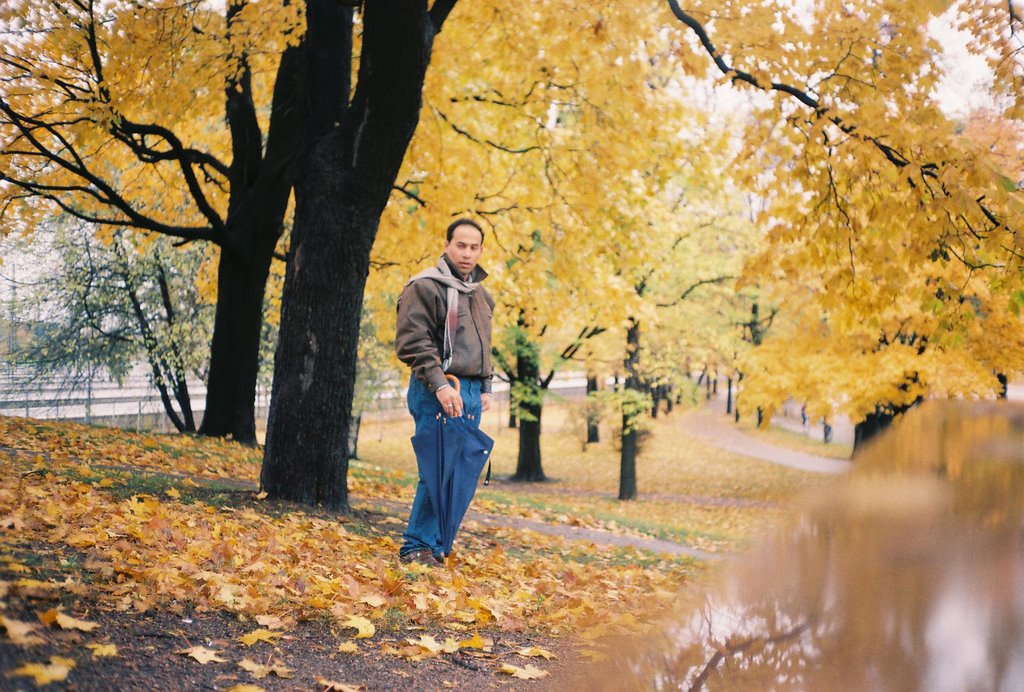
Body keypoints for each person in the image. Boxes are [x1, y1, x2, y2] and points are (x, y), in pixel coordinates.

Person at [394, 218, 494, 567]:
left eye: (474, 247)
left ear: (481, 250)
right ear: (448, 245)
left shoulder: (481, 295)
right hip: (436, 387)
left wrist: (485, 386)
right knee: (436, 469)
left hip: (469, 392)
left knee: (459, 472)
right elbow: (413, 343)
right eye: (461, 245)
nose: (467, 253)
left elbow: (485, 345)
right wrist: (438, 385)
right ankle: (415, 546)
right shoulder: (425, 287)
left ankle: (437, 545)